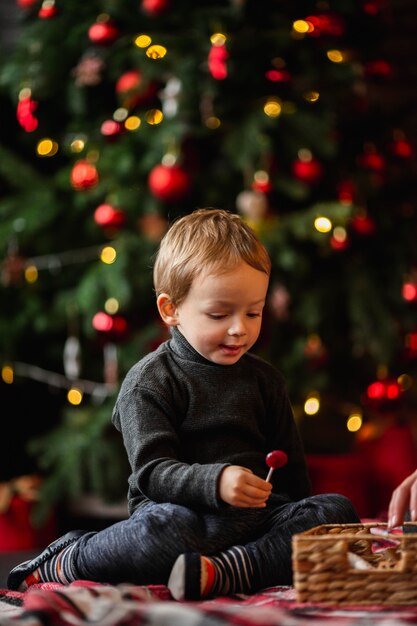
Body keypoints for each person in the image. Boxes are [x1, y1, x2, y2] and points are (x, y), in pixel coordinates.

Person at [7, 208, 360, 599]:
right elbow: (152, 473)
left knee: (335, 513)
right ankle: (74, 557)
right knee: (165, 531)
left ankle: (230, 570)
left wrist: (300, 523)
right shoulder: (150, 382)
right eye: (219, 314)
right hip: (182, 517)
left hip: (257, 522)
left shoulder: (266, 381)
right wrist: (217, 481)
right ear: (170, 310)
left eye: (253, 312)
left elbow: (292, 476)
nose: (239, 328)